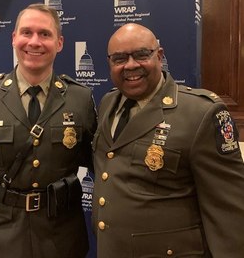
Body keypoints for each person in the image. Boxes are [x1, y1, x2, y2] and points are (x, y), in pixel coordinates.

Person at [0, 3, 97, 258]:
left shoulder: (80, 99)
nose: (34, 42)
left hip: (62, 238)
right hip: (2, 235)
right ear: (13, 38)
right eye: (26, 32)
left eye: (45, 34)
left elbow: (102, 168)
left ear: (60, 43)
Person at [92, 23, 244, 258]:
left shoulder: (201, 113)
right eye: (120, 58)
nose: (131, 65)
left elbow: (230, 211)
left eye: (141, 54)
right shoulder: (107, 104)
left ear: (160, 56)